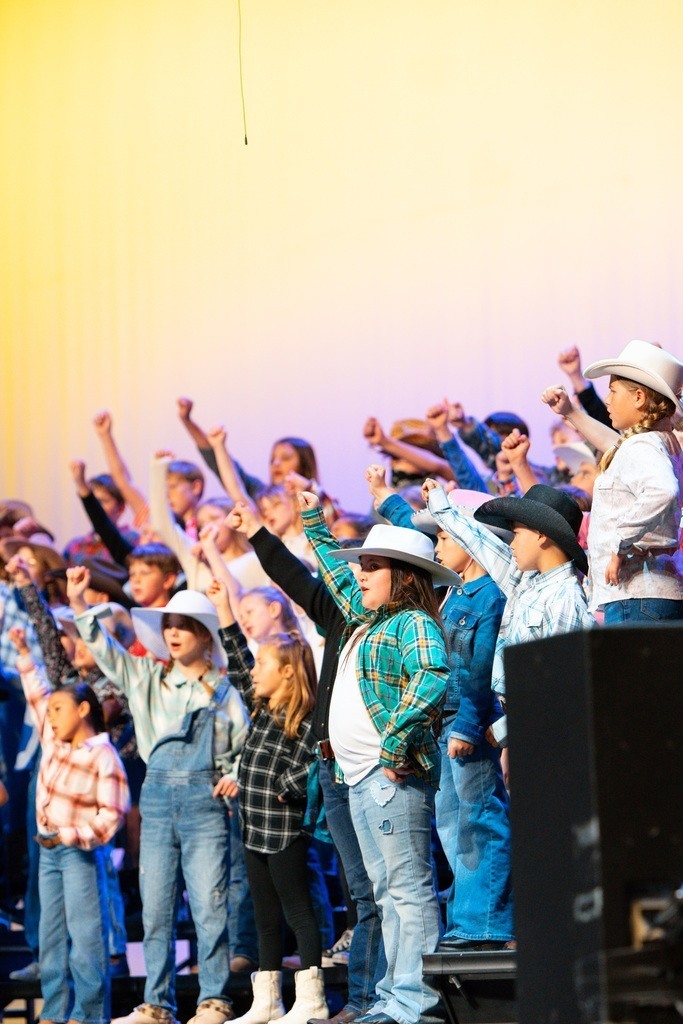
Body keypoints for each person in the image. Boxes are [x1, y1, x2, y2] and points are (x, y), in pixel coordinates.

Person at [300, 493, 455, 1024]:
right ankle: (395, 995)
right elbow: (335, 577)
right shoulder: (368, 621)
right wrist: (313, 523)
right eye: (361, 566)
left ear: (404, 576)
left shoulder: (413, 624)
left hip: (390, 778)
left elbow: (433, 676)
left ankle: (415, 1002)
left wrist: (395, 741)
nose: (360, 575)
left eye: (371, 567)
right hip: (361, 779)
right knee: (388, 894)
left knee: (407, 891)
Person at [72, 575, 249, 1024]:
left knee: (210, 906)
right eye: (168, 625)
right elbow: (105, 651)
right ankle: (157, 1003)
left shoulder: (224, 693)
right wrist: (77, 600)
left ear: (204, 635)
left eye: (182, 626)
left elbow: (244, 747)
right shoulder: (146, 676)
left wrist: (232, 775)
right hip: (155, 796)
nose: (172, 633)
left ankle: (213, 1000)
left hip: (204, 802)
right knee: (156, 906)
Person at [366, 467, 514, 950]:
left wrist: (469, 724)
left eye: (447, 534)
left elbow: (478, 666)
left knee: (477, 818)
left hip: (464, 722)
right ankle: (469, 918)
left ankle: (486, 921)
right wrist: (386, 499)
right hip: (445, 722)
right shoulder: (452, 593)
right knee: (453, 821)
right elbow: (411, 533)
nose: (438, 542)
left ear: (473, 540)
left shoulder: (488, 594)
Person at [206, 576, 327, 1024]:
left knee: (297, 908)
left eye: (264, 665)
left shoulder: (304, 716)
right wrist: (223, 608)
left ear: (288, 672)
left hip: (283, 828)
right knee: (264, 917)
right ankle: (268, 999)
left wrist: (286, 789)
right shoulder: (262, 708)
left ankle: (311, 997)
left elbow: (310, 764)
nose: (253, 671)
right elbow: (237, 661)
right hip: (253, 828)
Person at [9, 625, 129, 1024]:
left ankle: (89, 1013)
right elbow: (35, 690)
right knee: (51, 937)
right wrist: (24, 651)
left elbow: (111, 817)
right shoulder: (53, 740)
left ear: (81, 710)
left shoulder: (102, 755)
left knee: (85, 938)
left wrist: (70, 834)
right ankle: (55, 1012)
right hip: (48, 852)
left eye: (59, 709)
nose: (50, 716)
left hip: (77, 854)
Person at [425, 480, 595, 748]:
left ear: (540, 535)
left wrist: (509, 726)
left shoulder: (565, 600)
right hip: (526, 722)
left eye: (516, 534)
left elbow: (562, 684)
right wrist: (439, 505)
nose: (511, 543)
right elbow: (479, 541)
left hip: (547, 731)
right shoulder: (526, 581)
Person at [542, 339, 683, 624]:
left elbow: (663, 490)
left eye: (613, 391)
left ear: (639, 398)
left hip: (639, 593)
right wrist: (571, 412)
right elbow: (614, 446)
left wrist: (620, 545)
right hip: (644, 594)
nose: (607, 400)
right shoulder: (651, 443)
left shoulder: (643, 445)